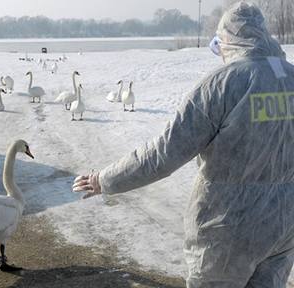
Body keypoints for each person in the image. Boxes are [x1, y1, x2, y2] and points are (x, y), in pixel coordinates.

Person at [73, 2, 294, 287]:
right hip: (283, 224)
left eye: (219, 45)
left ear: (229, 39)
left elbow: (165, 152)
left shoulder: (222, 84)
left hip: (227, 227)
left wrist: (105, 179)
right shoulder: (290, 76)